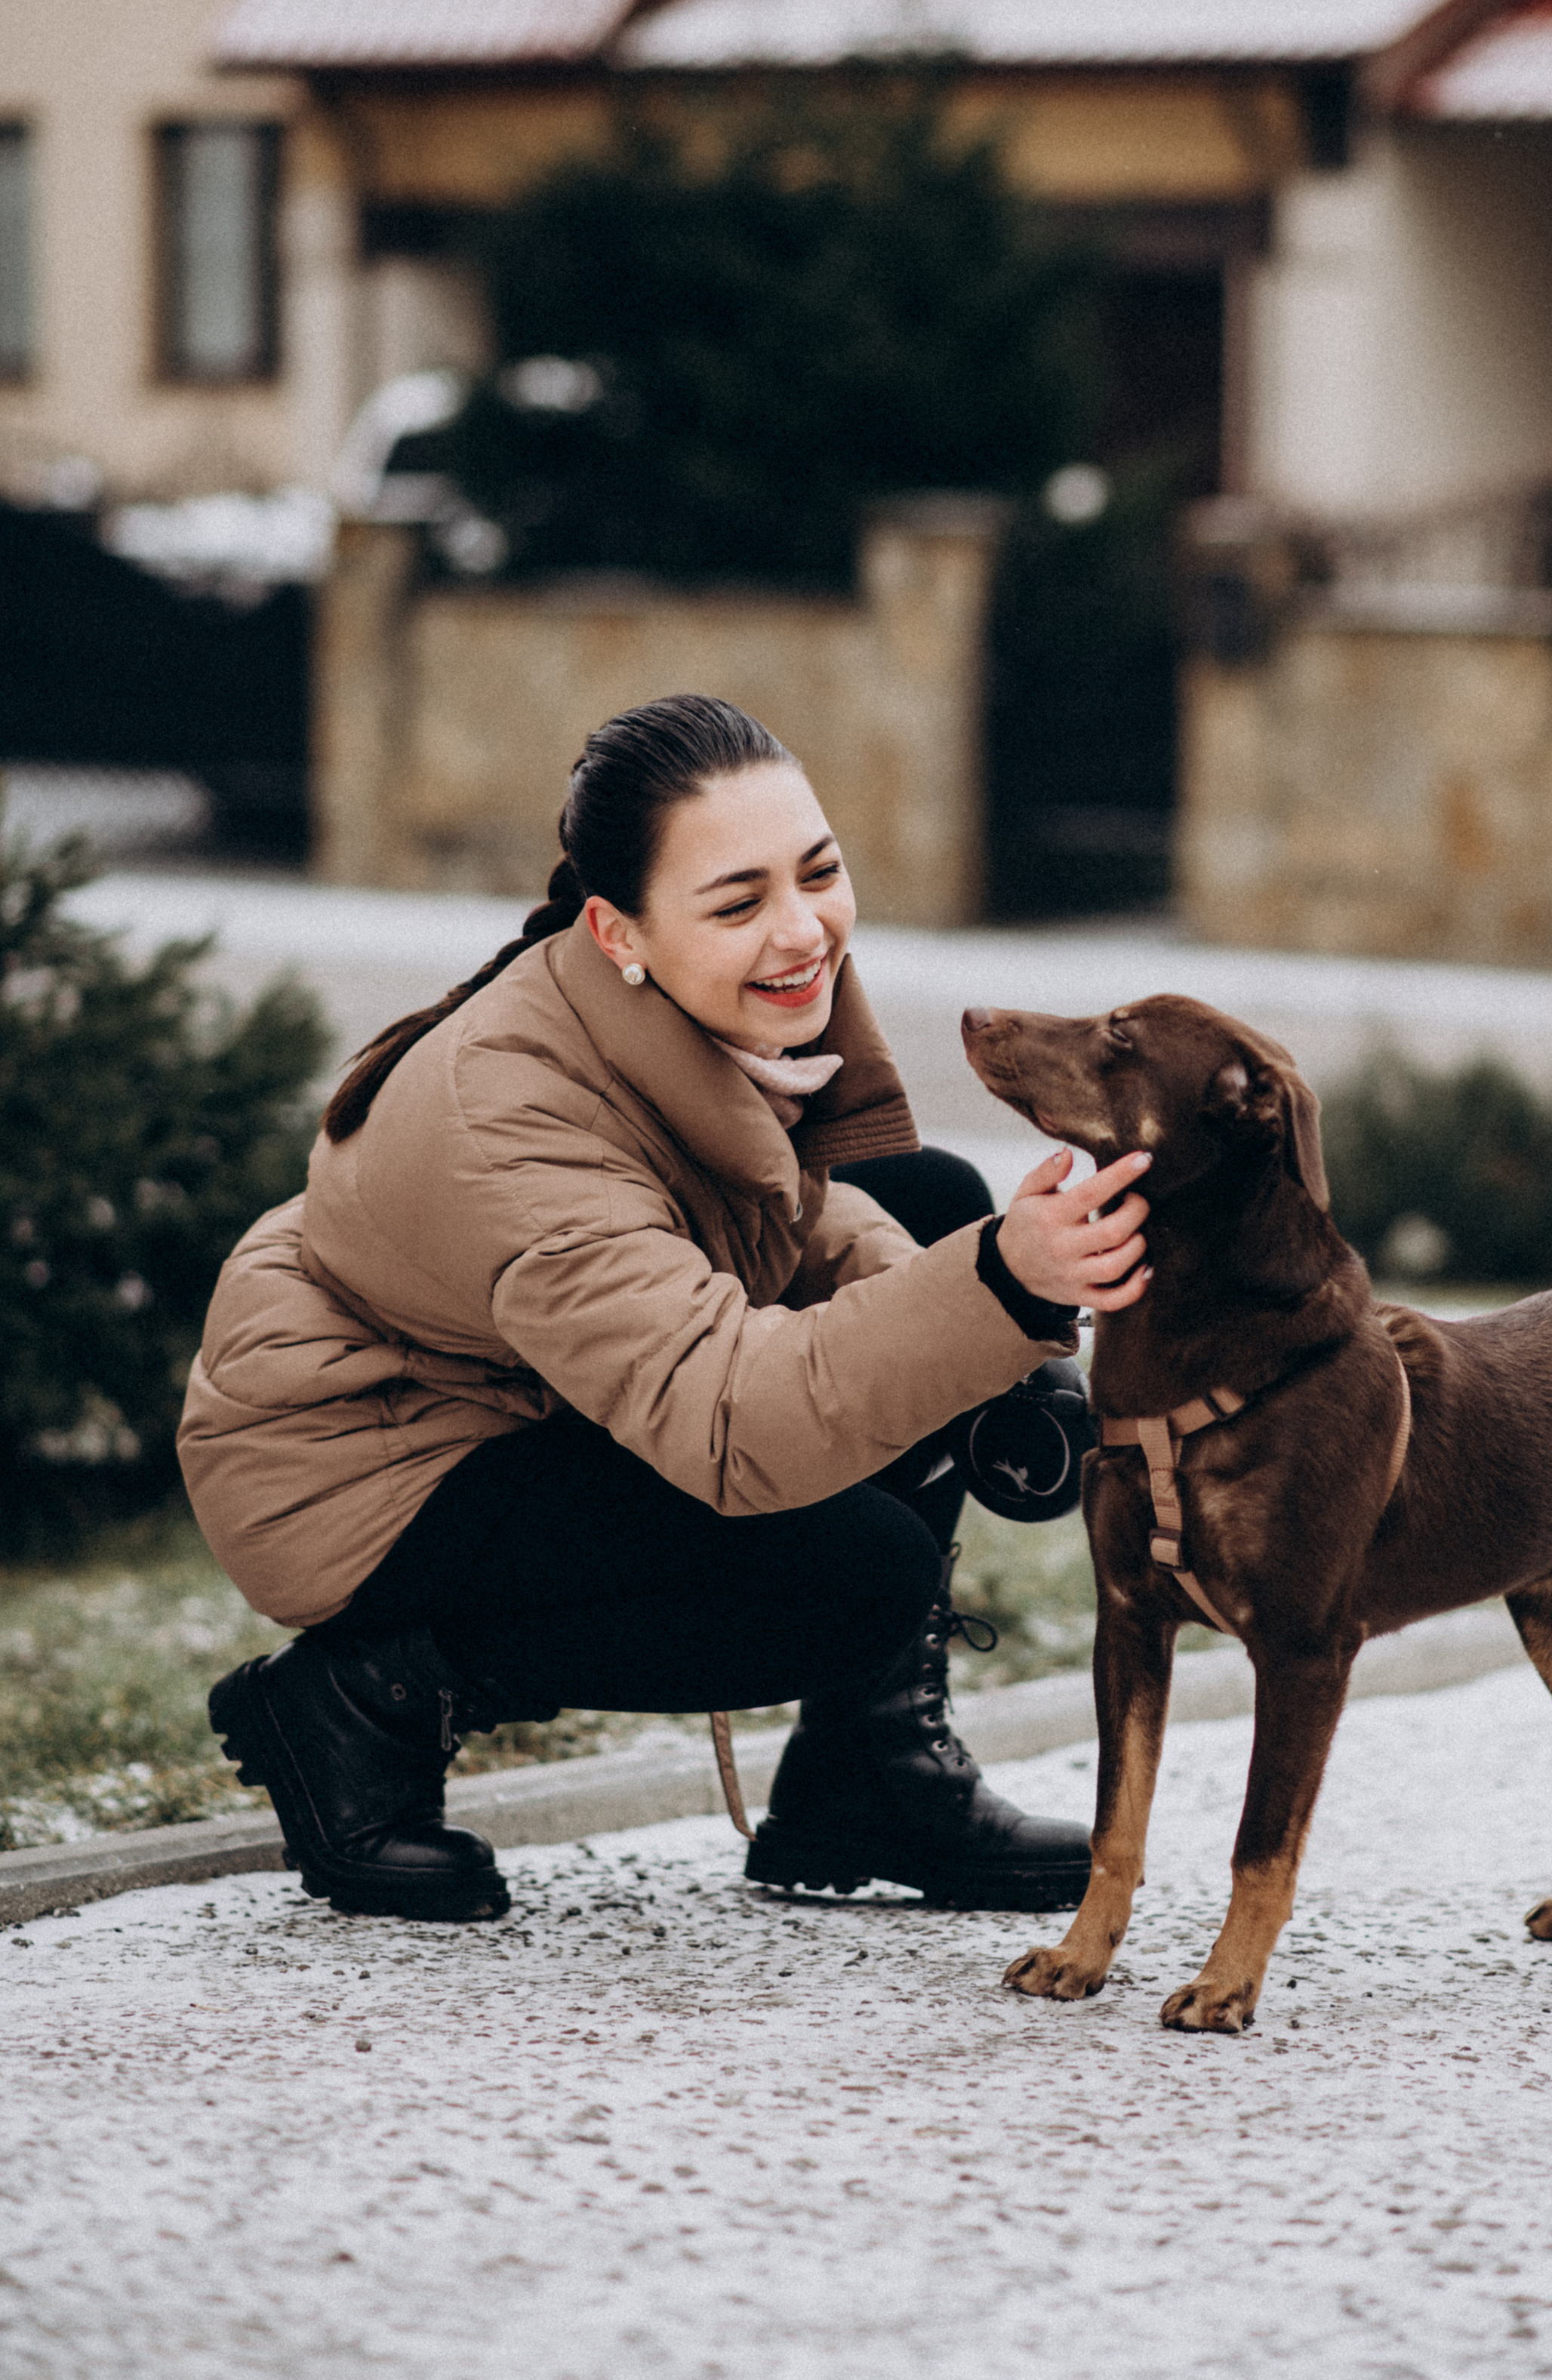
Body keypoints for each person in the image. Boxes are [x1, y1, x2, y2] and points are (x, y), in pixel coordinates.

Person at [178, 694, 1151, 1926]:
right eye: (740, 903)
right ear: (616, 929)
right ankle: (366, 1696)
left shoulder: (735, 1000)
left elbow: (786, 1216)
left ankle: (866, 1771)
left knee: (930, 1202)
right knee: (852, 1575)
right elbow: (734, 1425)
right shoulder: (509, 1116)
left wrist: (1000, 1339)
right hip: (371, 1456)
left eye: (821, 874)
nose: (803, 931)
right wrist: (995, 1290)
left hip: (528, 1383)